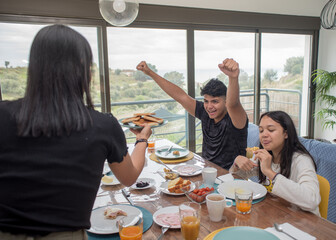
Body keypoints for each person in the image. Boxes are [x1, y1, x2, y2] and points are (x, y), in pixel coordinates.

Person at [0, 24, 151, 239]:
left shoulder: (3, 116)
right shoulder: (102, 125)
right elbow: (129, 177)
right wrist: (142, 140)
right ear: (83, 72)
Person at [136, 59, 248, 170]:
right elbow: (180, 96)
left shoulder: (236, 119)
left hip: (230, 177)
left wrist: (233, 77)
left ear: (225, 102)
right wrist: (150, 73)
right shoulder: (206, 113)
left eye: (215, 101)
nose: (209, 107)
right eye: (206, 101)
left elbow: (233, 105)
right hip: (206, 172)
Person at [230, 111, 321, 215]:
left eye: (271, 130)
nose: (264, 135)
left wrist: (269, 172)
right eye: (261, 130)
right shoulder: (265, 156)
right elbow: (236, 178)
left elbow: (312, 200)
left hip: (303, 223)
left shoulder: (301, 160)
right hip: (277, 215)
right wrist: (237, 164)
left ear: (286, 133)